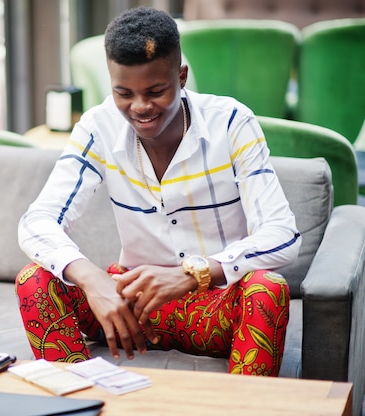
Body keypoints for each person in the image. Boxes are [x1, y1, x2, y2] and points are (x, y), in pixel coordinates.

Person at [15, 7, 300, 376]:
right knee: (34, 279)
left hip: (213, 305)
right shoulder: (98, 127)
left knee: (267, 290)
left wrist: (193, 274)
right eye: (124, 93)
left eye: (155, 91)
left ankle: (239, 407)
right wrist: (90, 277)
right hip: (133, 311)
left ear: (181, 77)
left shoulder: (232, 123)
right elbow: (37, 220)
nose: (140, 107)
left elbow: (283, 235)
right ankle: (81, 396)